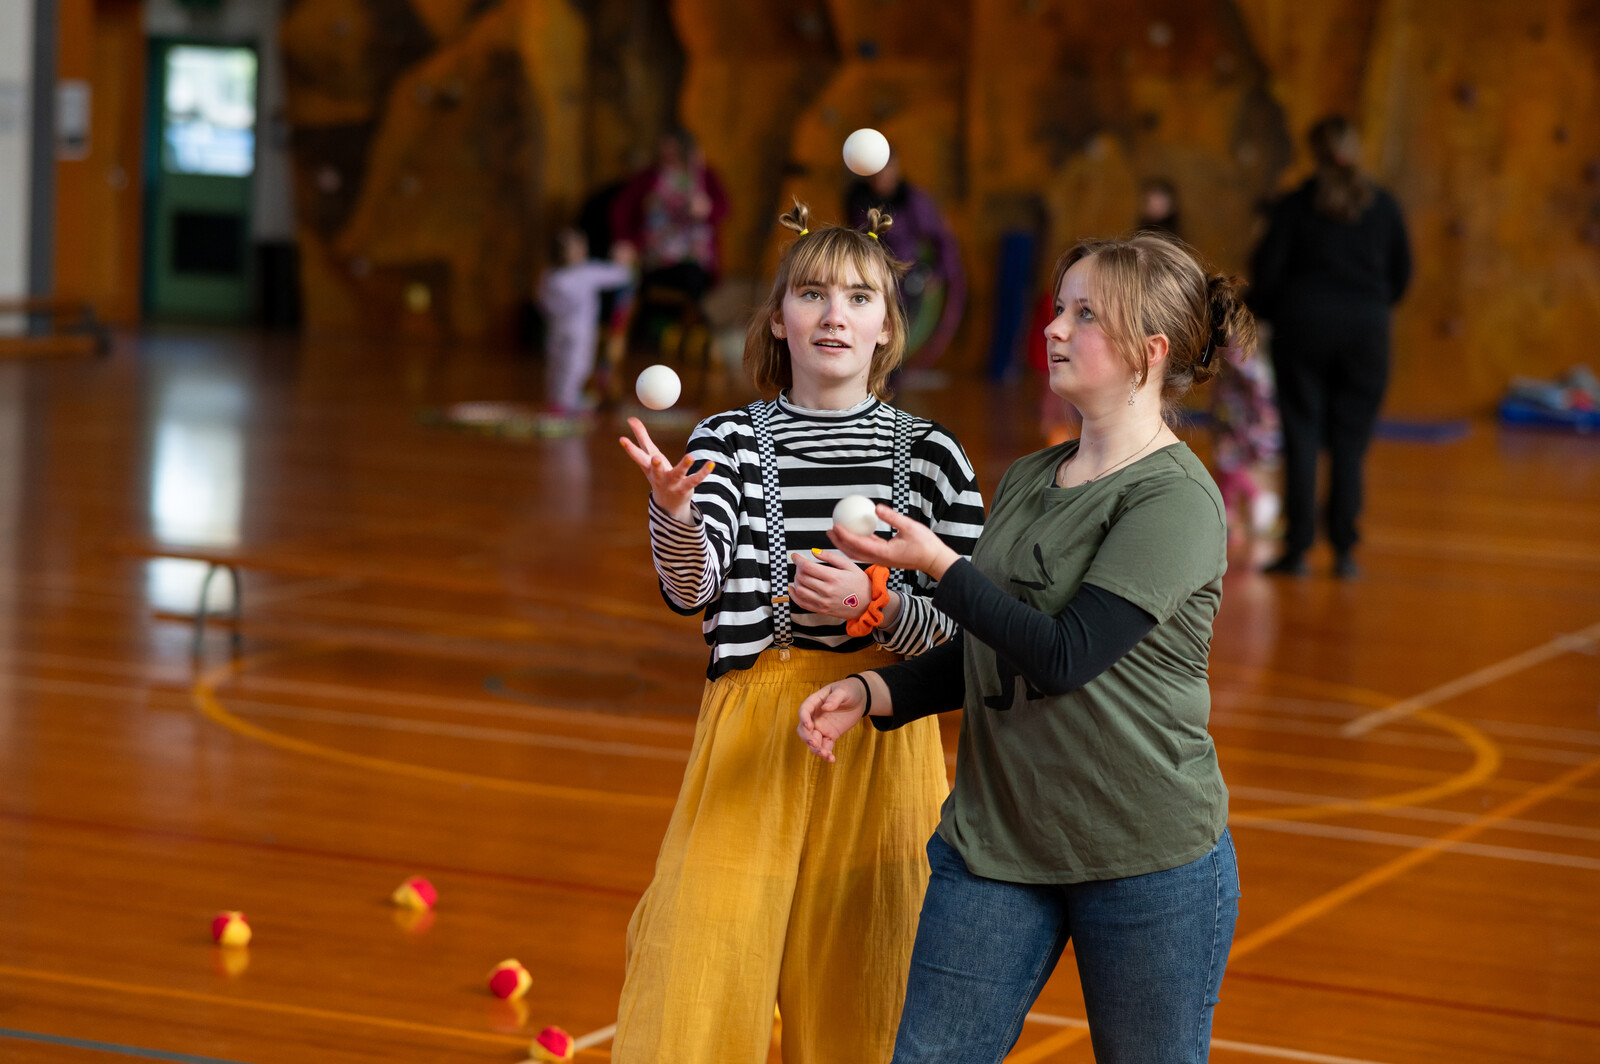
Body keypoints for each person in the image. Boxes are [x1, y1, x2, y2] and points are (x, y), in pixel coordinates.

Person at [797, 230, 1251, 1064]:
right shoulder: (1030, 480)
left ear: (1149, 352)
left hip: (1145, 859)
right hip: (997, 844)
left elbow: (1065, 655)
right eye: (1058, 307)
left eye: (1085, 315)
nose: (1053, 328)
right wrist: (875, 693)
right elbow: (991, 647)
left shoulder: (1176, 501)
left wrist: (938, 563)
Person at [612, 201, 986, 1064]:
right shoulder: (728, 443)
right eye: (811, 294)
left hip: (887, 735)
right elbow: (692, 588)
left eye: (858, 297)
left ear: (887, 324)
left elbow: (972, 631)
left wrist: (876, 603)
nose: (833, 313)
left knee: (871, 989)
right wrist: (672, 514)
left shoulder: (934, 459)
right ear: (779, 319)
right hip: (755, 732)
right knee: (698, 970)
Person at [1248, 114, 1411, 578]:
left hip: (1303, 329)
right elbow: (1402, 276)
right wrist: (1369, 307)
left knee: (1300, 437)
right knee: (1349, 444)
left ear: (1314, 152)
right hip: (1367, 333)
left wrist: (1265, 310)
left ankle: (1297, 550)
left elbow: (1267, 273)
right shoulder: (1383, 207)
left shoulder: (1295, 205)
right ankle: (1344, 552)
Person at [611, 130, 730, 367]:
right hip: (654, 258)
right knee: (638, 288)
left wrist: (705, 210)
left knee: (691, 285)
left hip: (693, 259)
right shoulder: (648, 177)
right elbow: (621, 210)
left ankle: (686, 334)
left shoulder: (703, 176)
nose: (668, 154)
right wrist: (624, 241)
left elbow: (723, 208)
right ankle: (646, 341)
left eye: (673, 149)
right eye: (664, 149)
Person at [845, 152, 966, 371]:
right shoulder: (857, 198)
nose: (883, 176)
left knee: (893, 347)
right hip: (868, 279)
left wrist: (937, 273)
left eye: (888, 169)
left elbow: (942, 239)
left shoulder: (913, 200)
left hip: (905, 283)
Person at [539, 227, 634, 414]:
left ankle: (557, 400)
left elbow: (542, 302)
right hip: (579, 330)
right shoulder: (585, 273)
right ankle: (565, 401)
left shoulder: (550, 276)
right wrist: (625, 261)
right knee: (575, 364)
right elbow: (621, 275)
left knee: (559, 365)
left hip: (557, 328)